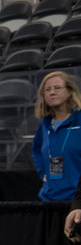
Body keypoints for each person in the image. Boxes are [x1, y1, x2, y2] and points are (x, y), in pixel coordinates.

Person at [32, 71, 81, 201]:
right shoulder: (45, 125)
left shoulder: (79, 121)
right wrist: (43, 172)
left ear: (70, 91)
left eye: (57, 88)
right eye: (47, 90)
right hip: (49, 199)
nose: (52, 92)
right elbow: (36, 150)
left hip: (76, 201)